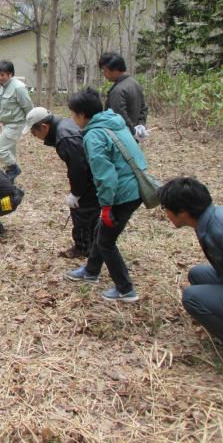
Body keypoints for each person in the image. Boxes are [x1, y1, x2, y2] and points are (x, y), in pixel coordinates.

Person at [158, 177, 223, 370]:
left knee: (193, 298)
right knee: (198, 274)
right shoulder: (215, 218)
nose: (165, 214)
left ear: (182, 213)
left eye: (165, 209)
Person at [63, 87, 146, 302]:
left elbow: (105, 176)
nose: (72, 119)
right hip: (133, 186)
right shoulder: (112, 121)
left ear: (82, 115)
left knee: (107, 241)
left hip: (123, 193)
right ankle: (91, 271)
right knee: (102, 231)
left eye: (73, 114)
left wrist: (107, 206)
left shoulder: (94, 136)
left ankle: (125, 289)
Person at [23, 107, 99, 258]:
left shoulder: (65, 137)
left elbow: (79, 169)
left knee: (81, 209)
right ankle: (93, 244)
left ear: (44, 127)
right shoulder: (64, 125)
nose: (34, 136)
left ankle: (83, 247)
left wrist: (76, 193)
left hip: (95, 175)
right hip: (96, 172)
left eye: (34, 132)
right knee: (90, 211)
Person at [0, 60, 33, 182]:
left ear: (10, 74)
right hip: (6, 124)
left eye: (3, 75)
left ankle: (14, 169)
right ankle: (10, 181)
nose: (0, 77)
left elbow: (28, 107)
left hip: (16, 124)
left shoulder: (19, 88)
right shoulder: (3, 86)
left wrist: (31, 125)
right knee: (10, 151)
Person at [98, 52, 149, 140]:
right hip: (132, 136)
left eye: (105, 71)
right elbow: (143, 108)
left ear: (115, 70)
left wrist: (133, 131)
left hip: (121, 138)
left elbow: (119, 117)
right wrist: (140, 127)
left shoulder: (118, 91)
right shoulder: (135, 83)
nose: (104, 74)